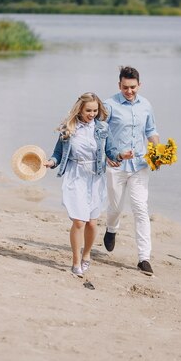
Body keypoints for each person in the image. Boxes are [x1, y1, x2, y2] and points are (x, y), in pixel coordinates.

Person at [44, 92, 133, 277]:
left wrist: (121, 155)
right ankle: (76, 262)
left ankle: (86, 255)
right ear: (79, 109)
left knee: (92, 223)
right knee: (78, 221)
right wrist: (50, 163)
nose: (92, 114)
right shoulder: (68, 128)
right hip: (75, 176)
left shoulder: (102, 128)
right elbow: (58, 154)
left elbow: (111, 151)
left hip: (96, 177)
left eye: (95, 110)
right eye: (88, 110)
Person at [103, 66, 160, 276]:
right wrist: (109, 155)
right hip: (116, 165)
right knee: (115, 207)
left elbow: (151, 131)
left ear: (139, 85)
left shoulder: (146, 105)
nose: (129, 91)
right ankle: (111, 229)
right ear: (119, 85)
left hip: (140, 166)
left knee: (140, 209)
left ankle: (144, 258)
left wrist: (157, 151)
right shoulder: (109, 105)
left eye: (133, 87)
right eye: (125, 87)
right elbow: (100, 134)